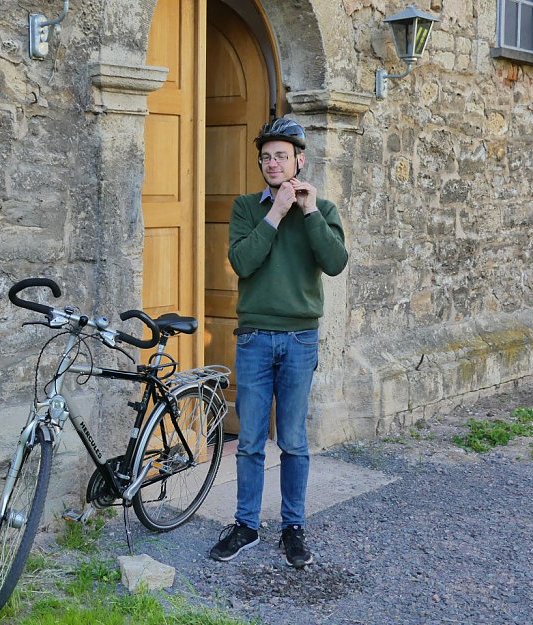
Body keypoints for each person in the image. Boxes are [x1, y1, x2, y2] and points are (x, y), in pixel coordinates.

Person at [209, 117, 348, 568]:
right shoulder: (247, 208)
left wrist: (305, 212)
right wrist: (275, 213)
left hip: (300, 338)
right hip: (253, 337)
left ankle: (293, 527)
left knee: (292, 440)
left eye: (282, 156)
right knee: (249, 440)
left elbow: (334, 262)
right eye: (267, 156)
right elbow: (243, 263)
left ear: (299, 160)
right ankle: (246, 525)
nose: (273, 163)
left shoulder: (321, 211)